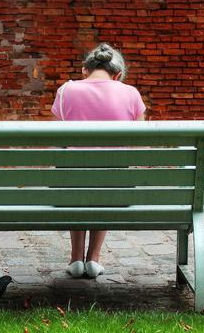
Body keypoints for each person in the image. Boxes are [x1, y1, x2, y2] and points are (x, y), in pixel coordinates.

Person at [51, 43, 146, 278]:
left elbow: (56, 138)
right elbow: (140, 141)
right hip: (115, 186)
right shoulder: (131, 93)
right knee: (110, 175)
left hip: (71, 185)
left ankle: (75, 259)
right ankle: (93, 259)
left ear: (85, 70)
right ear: (118, 75)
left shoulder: (66, 91)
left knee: (74, 173)